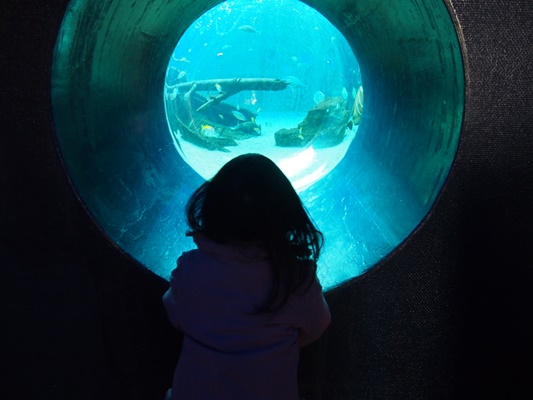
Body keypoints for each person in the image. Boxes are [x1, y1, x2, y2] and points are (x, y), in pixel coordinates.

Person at [162, 153, 331, 400]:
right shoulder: (296, 280)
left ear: (212, 209)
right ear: (285, 214)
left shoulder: (190, 268)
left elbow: (175, 313)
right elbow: (318, 324)